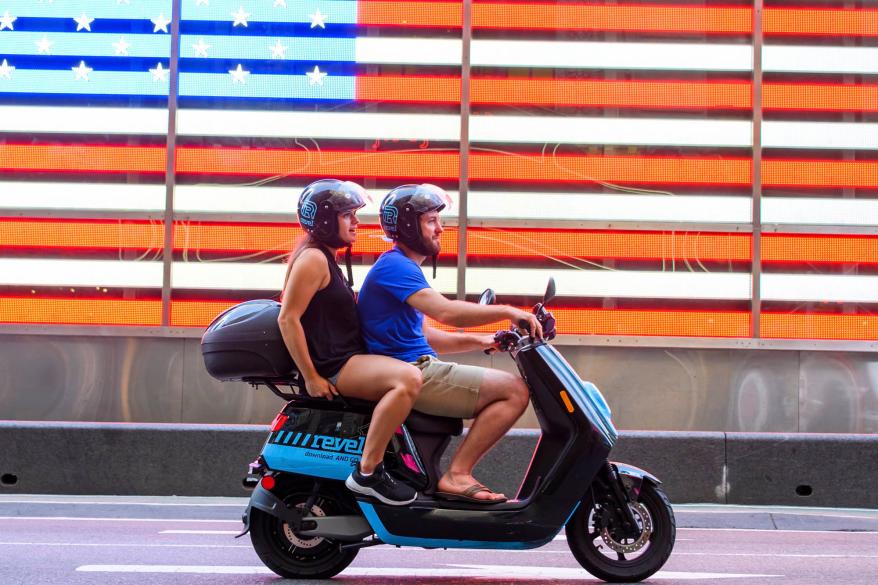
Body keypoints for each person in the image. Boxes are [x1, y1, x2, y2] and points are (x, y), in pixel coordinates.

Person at [357, 184, 543, 504]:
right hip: (414, 371)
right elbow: (446, 311)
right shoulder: (395, 266)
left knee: (510, 388)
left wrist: (482, 340)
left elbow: (425, 336)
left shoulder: (400, 267)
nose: (440, 228)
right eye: (431, 220)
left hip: (418, 365)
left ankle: (454, 473)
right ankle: (457, 474)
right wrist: (508, 312)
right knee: (515, 391)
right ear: (407, 226)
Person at [277, 179, 423, 506]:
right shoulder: (313, 259)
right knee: (407, 379)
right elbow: (288, 319)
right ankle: (368, 473)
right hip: (335, 366)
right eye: (348, 216)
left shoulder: (327, 259)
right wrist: (312, 378)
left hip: (345, 361)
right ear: (327, 220)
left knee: (412, 372)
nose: (357, 222)